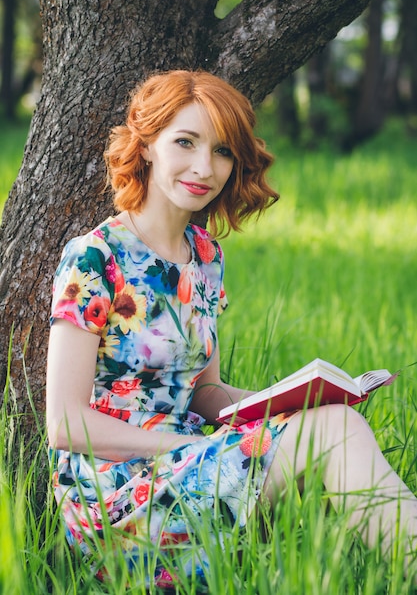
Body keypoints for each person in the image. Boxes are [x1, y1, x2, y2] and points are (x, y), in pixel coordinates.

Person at [46, 70, 417, 588]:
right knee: (333, 432)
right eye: (185, 142)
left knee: (333, 419)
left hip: (185, 458)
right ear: (147, 145)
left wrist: (290, 401)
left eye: (222, 150)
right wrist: (183, 445)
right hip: (114, 495)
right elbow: (64, 424)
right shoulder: (94, 257)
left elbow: (206, 392)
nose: (205, 167)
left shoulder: (205, 256)